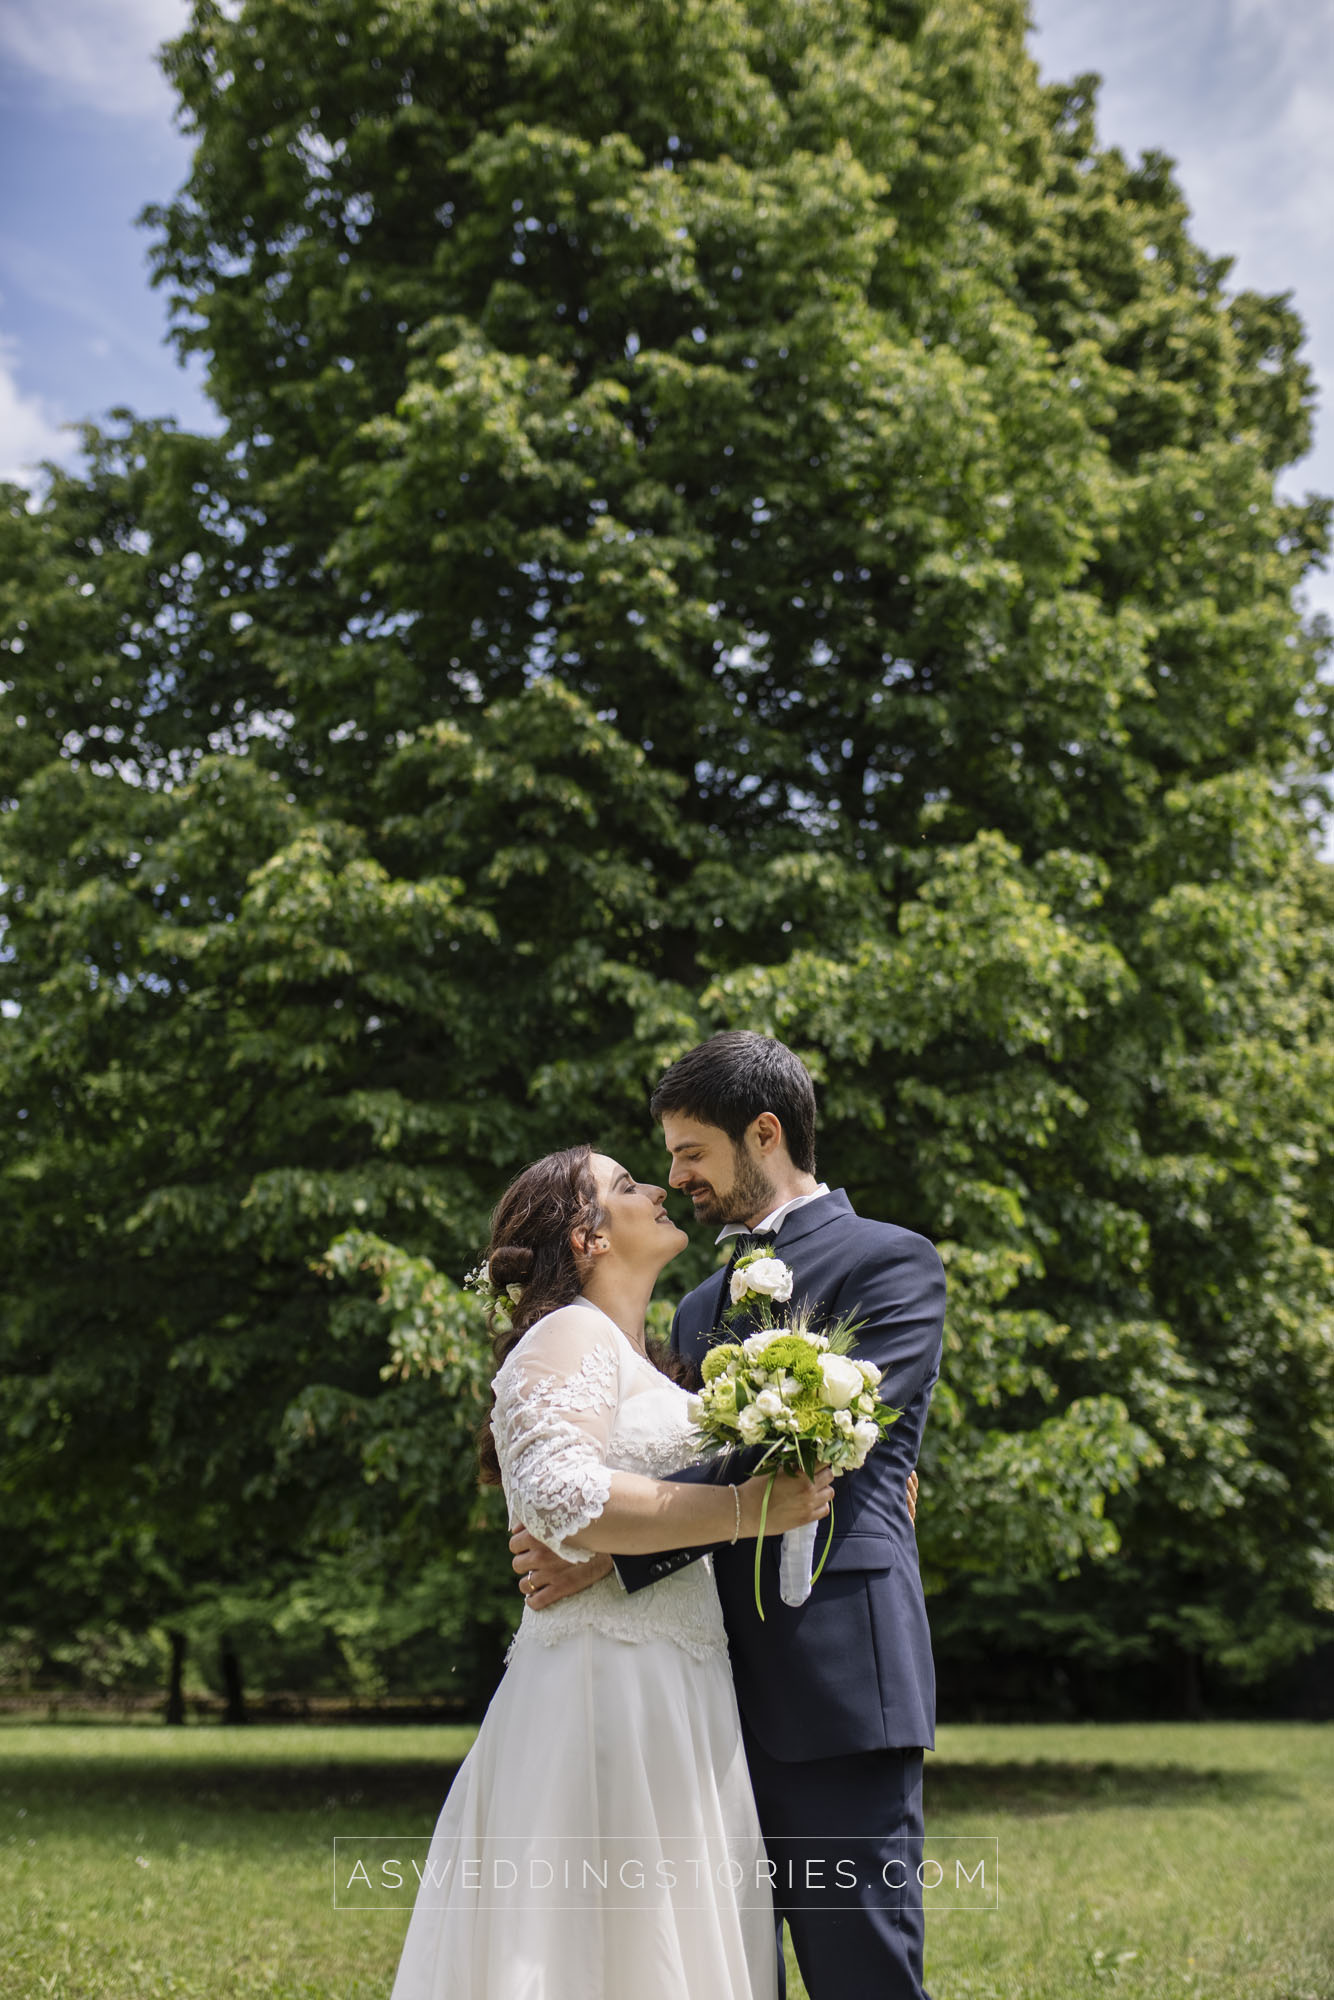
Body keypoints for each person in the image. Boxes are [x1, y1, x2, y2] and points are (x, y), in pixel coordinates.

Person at [511, 1034, 946, 2000]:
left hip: (837, 1674)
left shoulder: (893, 1260)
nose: (676, 1178)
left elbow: (826, 1440)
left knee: (860, 1971)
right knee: (723, 1970)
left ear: (764, 1133)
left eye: (691, 1152)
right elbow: (677, 1446)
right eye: (664, 1158)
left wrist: (615, 1552)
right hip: (698, 1691)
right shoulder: (697, 1304)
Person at [389, 1142, 833, 2000]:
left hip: (684, 1683)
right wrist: (752, 1511)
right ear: (586, 1237)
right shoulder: (567, 1334)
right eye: (627, 1185)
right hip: (604, 1689)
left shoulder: (653, 1363)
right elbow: (562, 1499)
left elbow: (644, 1501)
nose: (660, 1188)